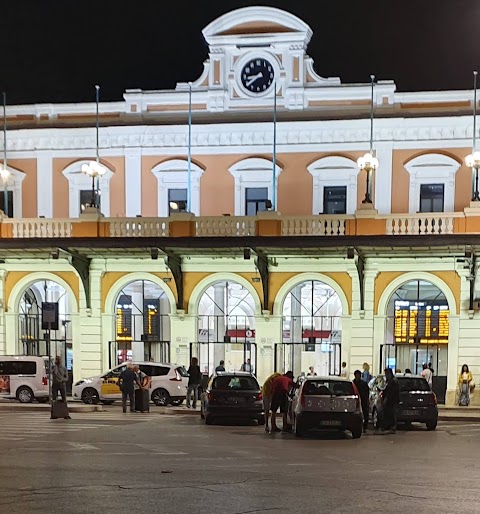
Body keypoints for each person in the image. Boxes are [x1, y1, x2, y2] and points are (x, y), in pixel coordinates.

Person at [377, 367, 400, 434]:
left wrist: (386, 399)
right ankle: (389, 426)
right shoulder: (390, 380)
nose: (386, 375)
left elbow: (391, 392)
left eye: (386, 374)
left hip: (391, 401)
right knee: (389, 413)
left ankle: (392, 427)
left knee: (391, 413)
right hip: (390, 401)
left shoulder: (393, 381)